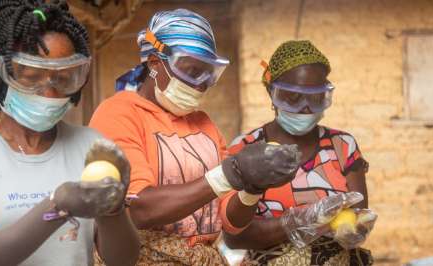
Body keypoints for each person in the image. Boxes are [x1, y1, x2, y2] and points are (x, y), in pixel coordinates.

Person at [0, 1, 139, 265]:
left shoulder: (91, 146)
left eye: (63, 79)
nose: (49, 94)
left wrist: (114, 209)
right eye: (31, 76)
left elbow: (123, 260)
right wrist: (57, 208)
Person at [89, 9, 301, 265]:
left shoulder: (204, 124)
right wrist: (230, 173)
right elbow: (138, 209)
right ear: (155, 63)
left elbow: (230, 223)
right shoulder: (119, 114)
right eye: (192, 71)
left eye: (208, 73)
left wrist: (251, 188)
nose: (201, 84)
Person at [220, 40, 377, 265]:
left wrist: (354, 229)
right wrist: (301, 221)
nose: (305, 107)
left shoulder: (342, 146)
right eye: (293, 97)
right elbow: (234, 236)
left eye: (315, 97)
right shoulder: (246, 151)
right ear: (271, 92)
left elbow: (358, 215)